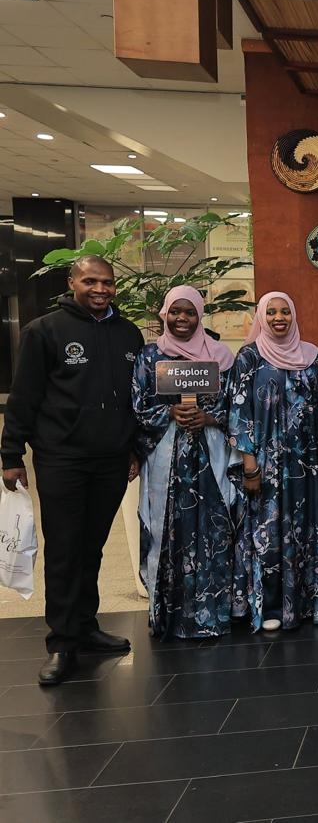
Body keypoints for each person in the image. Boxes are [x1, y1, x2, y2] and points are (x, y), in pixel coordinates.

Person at [1, 255, 143, 685]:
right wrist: (11, 456)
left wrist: (133, 448)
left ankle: (85, 627)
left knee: (92, 547)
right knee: (64, 550)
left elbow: (134, 399)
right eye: (91, 281)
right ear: (72, 283)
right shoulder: (44, 331)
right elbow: (23, 396)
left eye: (107, 282)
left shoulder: (129, 333)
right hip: (62, 458)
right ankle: (62, 642)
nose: (100, 290)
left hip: (111, 459)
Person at [132, 286, 241, 639]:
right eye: (176, 311)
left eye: (190, 312)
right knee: (167, 530)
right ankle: (167, 615)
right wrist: (169, 412)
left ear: (200, 315)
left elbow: (237, 403)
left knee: (214, 528)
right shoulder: (150, 357)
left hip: (210, 455)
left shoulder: (221, 356)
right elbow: (138, 405)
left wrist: (209, 418)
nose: (182, 318)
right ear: (165, 313)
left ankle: (212, 614)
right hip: (166, 458)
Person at [228, 291, 318, 632]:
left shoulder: (312, 357)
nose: (278, 318)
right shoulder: (249, 357)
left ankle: (311, 599)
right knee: (269, 531)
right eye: (271, 312)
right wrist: (250, 466)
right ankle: (272, 605)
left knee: (309, 529)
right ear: (261, 316)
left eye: (285, 311)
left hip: (309, 463)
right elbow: (239, 413)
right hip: (267, 464)